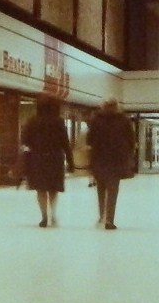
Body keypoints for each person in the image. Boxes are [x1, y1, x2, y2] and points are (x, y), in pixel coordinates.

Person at [22, 96, 74, 227]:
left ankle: (44, 216)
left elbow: (25, 140)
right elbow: (65, 143)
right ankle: (53, 214)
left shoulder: (32, 121)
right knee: (53, 188)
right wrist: (70, 161)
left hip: (37, 158)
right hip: (55, 158)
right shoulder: (59, 121)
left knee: (40, 188)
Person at [86, 99, 135, 230]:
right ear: (116, 106)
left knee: (100, 190)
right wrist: (128, 155)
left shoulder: (96, 120)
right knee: (113, 190)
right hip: (116, 160)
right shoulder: (124, 120)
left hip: (99, 159)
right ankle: (109, 220)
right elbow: (131, 140)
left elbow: (89, 139)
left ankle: (102, 215)